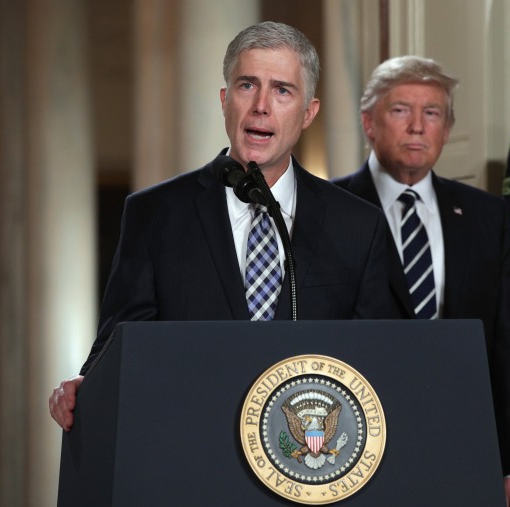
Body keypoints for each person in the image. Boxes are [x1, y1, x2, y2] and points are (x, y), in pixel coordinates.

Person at [49, 21, 397, 431]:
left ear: (308, 113)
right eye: (247, 85)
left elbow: (384, 359)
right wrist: (85, 385)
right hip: (193, 451)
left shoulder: (357, 224)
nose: (261, 106)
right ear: (224, 100)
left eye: (282, 90)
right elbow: (119, 345)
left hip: (309, 459)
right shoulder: (154, 215)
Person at [333, 55, 510, 507]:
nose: (417, 127)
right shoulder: (326, 209)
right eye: (400, 110)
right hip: (354, 446)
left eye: (432, 114)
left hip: (464, 446)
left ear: (446, 130)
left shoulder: (487, 218)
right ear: (369, 123)